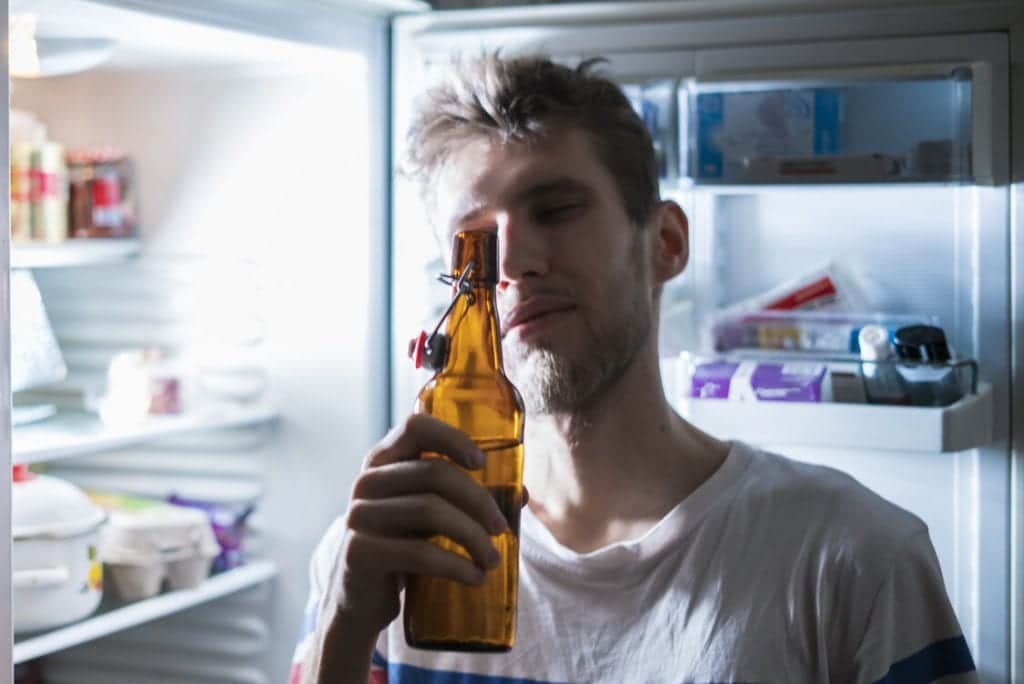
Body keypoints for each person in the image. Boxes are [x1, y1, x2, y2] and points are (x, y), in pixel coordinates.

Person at [291, 54, 977, 684]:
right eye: (477, 241)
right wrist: (344, 628)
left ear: (667, 243)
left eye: (555, 210)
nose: (514, 261)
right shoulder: (383, 553)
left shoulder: (852, 557)